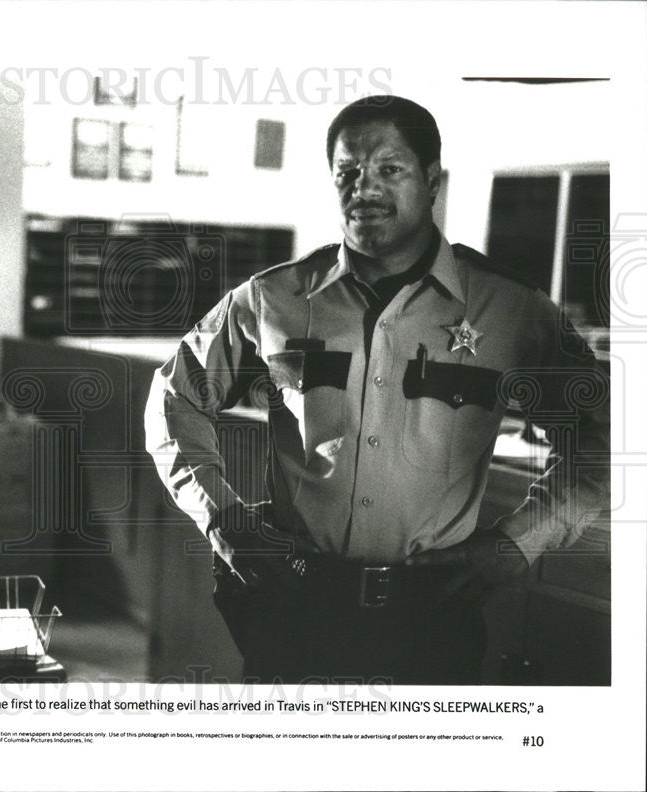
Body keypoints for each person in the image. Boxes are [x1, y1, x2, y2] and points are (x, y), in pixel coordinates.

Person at [144, 95, 610, 684]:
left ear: (433, 182)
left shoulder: (512, 311)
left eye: (389, 169)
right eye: (348, 173)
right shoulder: (273, 298)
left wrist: (520, 541)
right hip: (294, 604)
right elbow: (175, 397)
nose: (364, 189)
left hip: (431, 616)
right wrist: (226, 520)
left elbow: (608, 433)